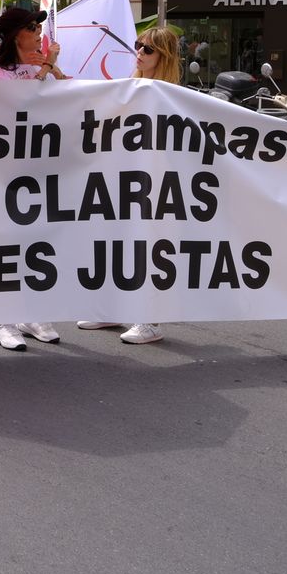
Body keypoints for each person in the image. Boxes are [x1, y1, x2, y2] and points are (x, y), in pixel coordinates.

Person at [77, 27, 181, 344]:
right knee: (118, 242)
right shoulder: (132, 86)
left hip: (157, 182)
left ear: (163, 56)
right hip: (124, 178)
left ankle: (149, 320)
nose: (139, 52)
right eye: (138, 45)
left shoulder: (172, 93)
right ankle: (113, 308)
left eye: (147, 49)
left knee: (150, 247)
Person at [0, 8, 63, 350]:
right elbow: (19, 105)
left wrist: (53, 68)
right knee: (11, 243)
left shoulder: (41, 67)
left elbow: (77, 99)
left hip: (45, 167)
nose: (38, 32)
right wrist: (46, 68)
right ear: (18, 35)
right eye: (33, 27)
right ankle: (4, 322)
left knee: (40, 242)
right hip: (10, 171)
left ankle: (33, 312)